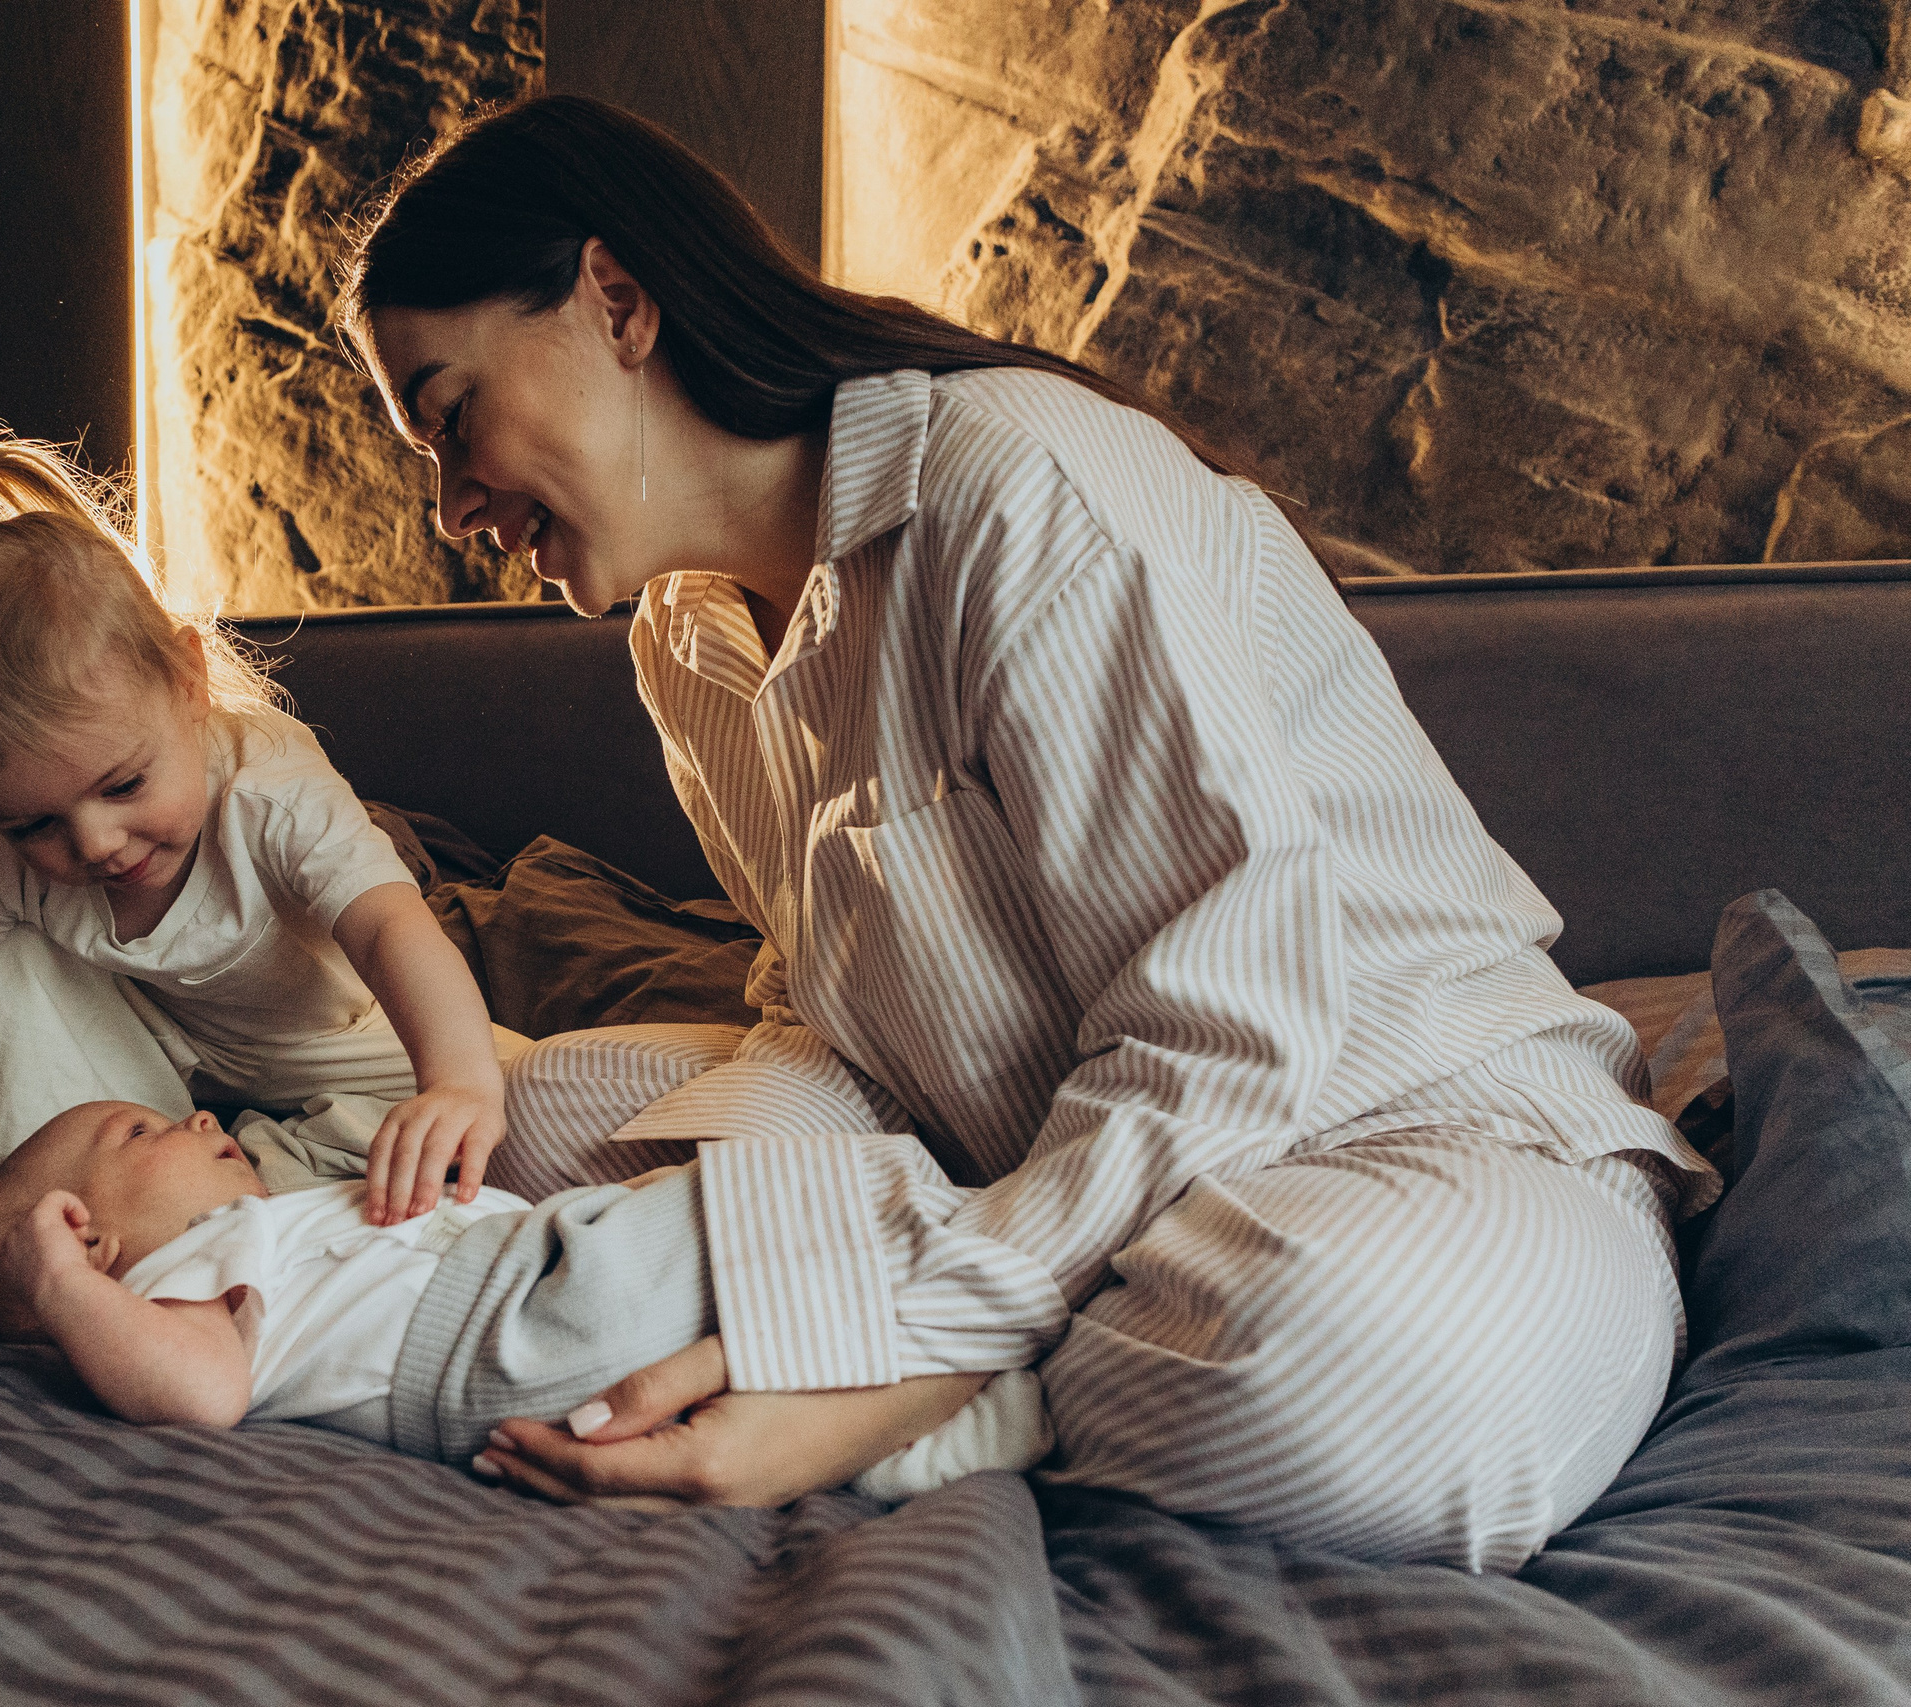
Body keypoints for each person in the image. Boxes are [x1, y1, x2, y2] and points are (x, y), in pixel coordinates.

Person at [337, 95, 1718, 1571]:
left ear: (615, 300)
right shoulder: (683, 643)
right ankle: (941, 1303)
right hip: (1042, 1161)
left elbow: (1231, 1032)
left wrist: (890, 1349)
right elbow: (834, 1010)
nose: (451, 502)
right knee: (518, 1135)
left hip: (1418, 1143)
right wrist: (693, 1190)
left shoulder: (1019, 491)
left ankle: (935, 1389)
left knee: (1323, 1371)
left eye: (450, 413)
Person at [0, 424, 523, 1291]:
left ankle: (282, 1185)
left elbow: (389, 927)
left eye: (123, 785)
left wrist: (456, 1083)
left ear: (189, 684)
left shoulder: (265, 786)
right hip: (149, 1089)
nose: (94, 844)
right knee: (0, 958)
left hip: (343, 1045)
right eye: (32, 822)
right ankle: (90, 1244)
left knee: (529, 1109)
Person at [0, 1097, 1054, 1502]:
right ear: (88, 1239)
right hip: (500, 1332)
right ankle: (967, 1260)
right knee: (777, 1188)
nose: (194, 1121)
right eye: (137, 1133)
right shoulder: (182, 1274)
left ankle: (952, 1427)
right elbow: (197, 1397)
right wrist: (60, 1293)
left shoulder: (271, 1227)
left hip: (518, 1307)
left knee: (729, 1265)